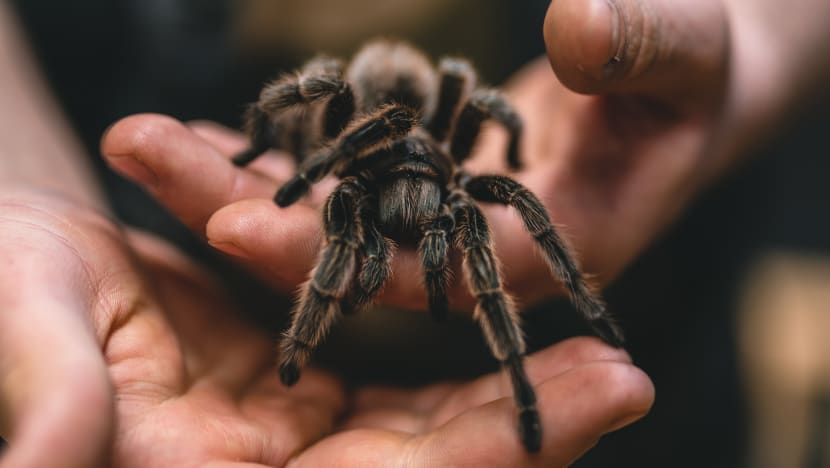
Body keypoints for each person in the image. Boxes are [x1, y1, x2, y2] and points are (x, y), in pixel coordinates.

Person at [1, 0, 828, 466]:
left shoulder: (459, 174)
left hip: (670, 342)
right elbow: (325, 128)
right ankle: (299, 347)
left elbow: (487, 109)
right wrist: (21, 183)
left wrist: (755, 39)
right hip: (201, 296)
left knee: (511, 231)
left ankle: (555, 349)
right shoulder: (352, 163)